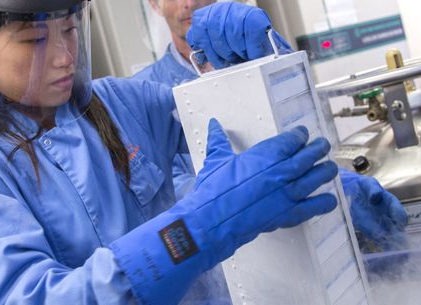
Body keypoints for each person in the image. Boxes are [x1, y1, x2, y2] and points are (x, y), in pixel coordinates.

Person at [0, 1, 406, 305]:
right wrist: (198, 228)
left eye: (71, 30)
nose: (63, 57)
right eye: (35, 40)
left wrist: (252, 64)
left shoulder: (120, 103)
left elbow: (242, 132)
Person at [134, 0, 406, 252]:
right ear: (154, 4)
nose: (189, 3)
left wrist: (339, 182)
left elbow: (302, 125)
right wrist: (242, 197)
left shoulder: (256, 47)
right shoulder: (144, 94)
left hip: (317, 228)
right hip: (232, 257)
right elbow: (169, 195)